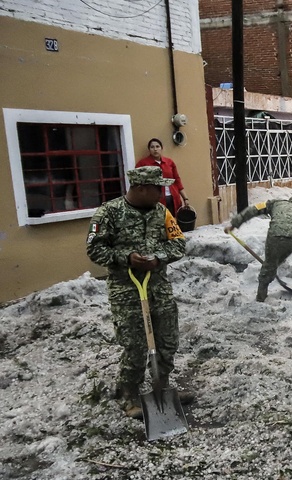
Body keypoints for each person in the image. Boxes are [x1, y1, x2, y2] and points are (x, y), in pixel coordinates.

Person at [86, 166, 192, 419]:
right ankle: (129, 393)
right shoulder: (108, 213)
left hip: (158, 286)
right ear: (141, 188)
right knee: (134, 344)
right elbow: (94, 249)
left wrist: (159, 258)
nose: (162, 193)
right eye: (158, 188)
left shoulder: (162, 212)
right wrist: (126, 258)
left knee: (167, 341)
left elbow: (178, 244)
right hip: (126, 289)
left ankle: (161, 386)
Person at [224, 196, 292, 305]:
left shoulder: (275, 203)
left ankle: (261, 296)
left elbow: (253, 209)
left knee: (269, 265)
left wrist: (234, 223)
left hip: (275, 235)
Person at [135, 138, 189, 217]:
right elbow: (138, 182)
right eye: (152, 147)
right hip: (155, 200)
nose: (155, 149)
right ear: (149, 149)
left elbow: (177, 180)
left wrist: (185, 198)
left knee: (173, 221)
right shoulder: (143, 164)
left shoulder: (169, 162)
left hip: (172, 198)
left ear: (161, 148)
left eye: (157, 146)